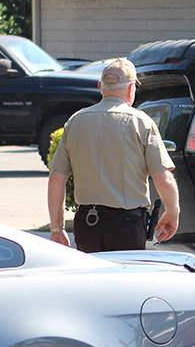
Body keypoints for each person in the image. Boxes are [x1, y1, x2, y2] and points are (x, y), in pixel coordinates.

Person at [48, 58, 179, 253]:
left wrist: (57, 228)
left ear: (101, 86)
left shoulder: (76, 121)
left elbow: (56, 179)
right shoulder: (141, 122)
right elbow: (164, 180)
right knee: (126, 281)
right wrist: (172, 212)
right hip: (127, 224)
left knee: (91, 282)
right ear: (131, 88)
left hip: (86, 223)